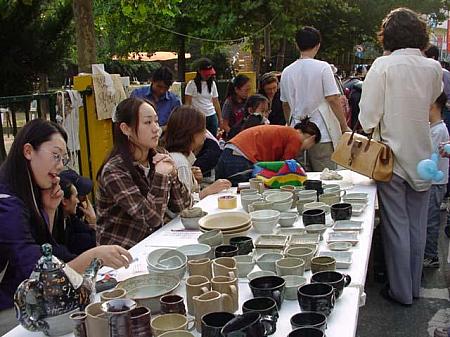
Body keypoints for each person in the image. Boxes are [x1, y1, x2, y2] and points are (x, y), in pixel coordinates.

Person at [0, 119, 132, 311]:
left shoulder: (29, 190)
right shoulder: (7, 203)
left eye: (63, 158)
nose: (60, 165)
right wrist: (94, 256)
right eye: (55, 155)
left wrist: (50, 211)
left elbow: (48, 250)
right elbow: (36, 272)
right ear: (28, 151)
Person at [358, 7, 442, 306]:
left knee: (396, 226)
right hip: (424, 156)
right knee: (417, 225)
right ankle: (415, 289)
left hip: (389, 157)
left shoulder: (383, 66)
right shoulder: (432, 68)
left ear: (388, 35)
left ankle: (401, 291)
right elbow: (432, 101)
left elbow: (368, 118)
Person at [96, 97, 192, 249]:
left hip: (154, 243)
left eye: (156, 121)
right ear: (126, 129)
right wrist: (161, 176)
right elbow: (150, 218)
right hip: (123, 254)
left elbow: (183, 206)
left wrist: (172, 174)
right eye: (148, 122)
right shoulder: (114, 171)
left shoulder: (158, 155)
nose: (156, 128)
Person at [280, 26, 348, 171]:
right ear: (318, 45)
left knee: (300, 179)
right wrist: (343, 125)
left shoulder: (287, 71)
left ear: (297, 45)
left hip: (296, 134)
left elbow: (285, 104)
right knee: (326, 178)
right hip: (322, 133)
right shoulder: (323, 67)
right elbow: (333, 99)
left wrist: (289, 123)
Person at [215, 119, 321, 186]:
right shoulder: (295, 138)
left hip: (232, 150)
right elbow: (287, 167)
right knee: (241, 191)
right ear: (312, 138)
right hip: (241, 155)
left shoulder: (286, 132)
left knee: (221, 191)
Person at [165, 105, 231, 199]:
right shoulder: (180, 163)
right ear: (191, 132)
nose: (205, 133)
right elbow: (184, 207)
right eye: (203, 129)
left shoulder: (183, 159)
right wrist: (208, 190)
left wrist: (195, 180)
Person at [423, 92, 449, 267]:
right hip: (433, 182)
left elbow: (427, 155)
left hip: (435, 183)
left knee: (430, 221)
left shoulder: (438, 130)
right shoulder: (434, 128)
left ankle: (431, 256)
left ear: (432, 105)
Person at [52, 178, 96, 256]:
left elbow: (93, 236)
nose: (78, 201)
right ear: (64, 201)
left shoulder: (70, 219)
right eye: (75, 197)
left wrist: (92, 220)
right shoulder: (53, 228)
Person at [184, 58, 223, 136]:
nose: (208, 76)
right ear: (199, 71)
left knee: (212, 139)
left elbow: (216, 101)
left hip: (211, 115)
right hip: (198, 117)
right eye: (206, 74)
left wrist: (220, 118)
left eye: (209, 74)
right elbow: (188, 103)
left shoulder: (212, 84)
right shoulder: (192, 84)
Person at [222, 74, 251, 139]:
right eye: (246, 90)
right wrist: (233, 135)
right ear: (236, 90)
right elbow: (224, 124)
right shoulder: (229, 103)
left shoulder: (248, 100)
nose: (248, 92)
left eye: (249, 90)